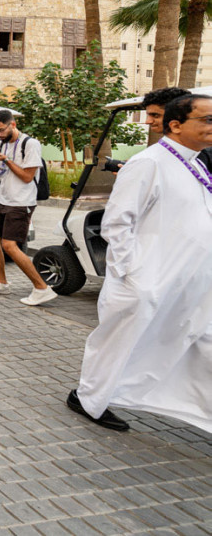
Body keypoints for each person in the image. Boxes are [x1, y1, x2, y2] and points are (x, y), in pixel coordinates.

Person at [66, 93, 212, 433]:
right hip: (150, 281)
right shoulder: (149, 163)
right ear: (176, 125)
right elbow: (116, 224)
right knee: (119, 344)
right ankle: (89, 399)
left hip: (189, 280)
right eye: (206, 119)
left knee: (194, 343)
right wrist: (135, 278)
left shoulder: (195, 161)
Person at [0, 110, 57, 306]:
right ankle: (1, 283)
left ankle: (42, 288)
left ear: (12, 124)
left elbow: (27, 177)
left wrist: (5, 159)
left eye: (1, 130)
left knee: (10, 245)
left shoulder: (30, 144)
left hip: (22, 201)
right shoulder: (0, 143)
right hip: (3, 198)